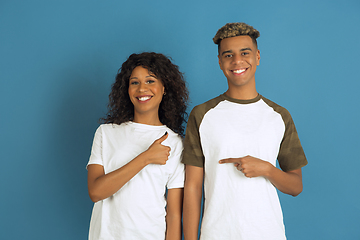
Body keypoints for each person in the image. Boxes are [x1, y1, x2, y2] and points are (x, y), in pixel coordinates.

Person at [182, 22, 308, 240]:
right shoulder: (202, 115)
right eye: (228, 55)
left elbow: (296, 186)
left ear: (257, 57)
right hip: (216, 234)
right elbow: (192, 187)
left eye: (245, 53)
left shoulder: (279, 116)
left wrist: (268, 169)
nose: (237, 61)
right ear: (220, 62)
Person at [86, 52, 189, 240]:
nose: (142, 88)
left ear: (164, 88)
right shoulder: (106, 133)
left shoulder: (175, 143)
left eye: (150, 81)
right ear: (127, 89)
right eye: (135, 82)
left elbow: (174, 215)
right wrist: (146, 157)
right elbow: (96, 191)